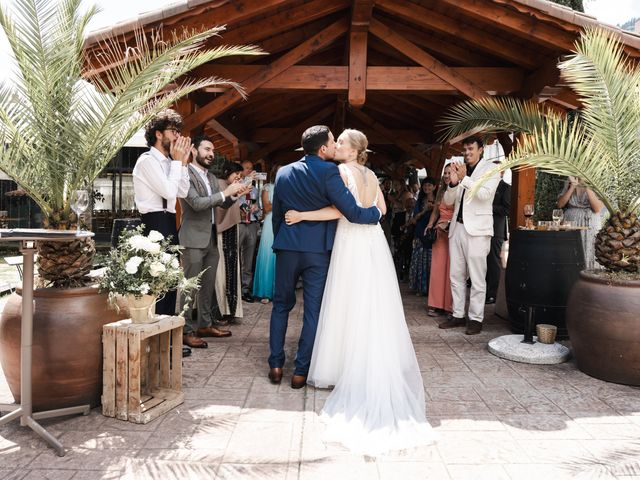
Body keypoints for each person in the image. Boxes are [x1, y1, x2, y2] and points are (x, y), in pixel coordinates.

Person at [285, 129, 435, 455]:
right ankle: (366, 358)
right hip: (373, 242)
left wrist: (302, 215)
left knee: (346, 301)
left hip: (351, 240)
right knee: (372, 301)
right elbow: (381, 210)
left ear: (353, 151)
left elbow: (339, 211)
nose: (335, 146)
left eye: (340, 143)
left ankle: (341, 367)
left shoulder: (340, 171)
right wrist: (370, 219)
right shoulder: (370, 174)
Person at [268, 125, 381, 389]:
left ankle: (275, 364)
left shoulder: (283, 172)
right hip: (318, 251)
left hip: (287, 248)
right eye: (332, 142)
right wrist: (375, 215)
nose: (334, 146)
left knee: (280, 306)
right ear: (322, 148)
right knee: (313, 311)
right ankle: (300, 372)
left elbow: (277, 216)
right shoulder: (330, 171)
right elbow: (351, 212)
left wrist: (282, 241)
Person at [178, 136, 250, 348]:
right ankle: (185, 330)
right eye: (207, 149)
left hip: (210, 236)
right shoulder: (185, 174)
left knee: (207, 286)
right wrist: (224, 192)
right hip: (192, 237)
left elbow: (219, 205)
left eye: (213, 150)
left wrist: (234, 196)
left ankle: (205, 325)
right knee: (189, 287)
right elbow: (198, 204)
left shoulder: (209, 176)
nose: (211, 153)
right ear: (193, 150)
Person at [438, 136, 500, 335]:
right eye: (464, 150)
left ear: (481, 149)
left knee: (477, 277)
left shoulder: (491, 168)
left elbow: (484, 196)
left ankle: (475, 318)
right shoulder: (459, 170)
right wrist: (454, 183)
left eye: (470, 149)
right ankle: (457, 315)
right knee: (455, 275)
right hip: (457, 229)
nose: (466, 153)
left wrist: (464, 179)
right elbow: (448, 201)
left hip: (478, 231)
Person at [215, 162, 245, 322]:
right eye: (236, 174)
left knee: (231, 271)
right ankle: (222, 310)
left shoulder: (231, 186)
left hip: (232, 231)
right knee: (222, 273)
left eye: (240, 176)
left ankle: (230, 309)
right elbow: (219, 208)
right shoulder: (220, 185)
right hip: (222, 233)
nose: (238, 178)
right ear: (227, 172)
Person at [557, 176, 605, 270]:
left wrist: (588, 185)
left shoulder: (598, 180)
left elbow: (597, 208)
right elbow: (560, 204)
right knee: (570, 252)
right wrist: (572, 187)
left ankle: (590, 279)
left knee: (589, 251)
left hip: (590, 223)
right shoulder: (570, 180)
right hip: (570, 222)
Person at [426, 164, 455, 317]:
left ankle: (450, 307)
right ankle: (436, 304)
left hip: (454, 230)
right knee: (437, 268)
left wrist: (449, 224)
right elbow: (436, 211)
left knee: (452, 269)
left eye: (449, 173)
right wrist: (430, 225)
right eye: (445, 172)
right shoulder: (441, 191)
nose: (446, 175)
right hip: (439, 231)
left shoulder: (460, 190)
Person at [252, 164, 280, 303]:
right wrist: (282, 204)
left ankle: (279, 291)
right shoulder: (267, 187)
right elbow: (267, 207)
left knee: (282, 256)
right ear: (274, 173)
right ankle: (266, 292)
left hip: (284, 222)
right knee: (268, 255)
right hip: (270, 222)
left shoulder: (288, 186)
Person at [485, 168, 511, 304]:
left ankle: (492, 294)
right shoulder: (486, 186)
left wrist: (489, 207)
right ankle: (484, 291)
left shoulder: (506, 188)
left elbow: (507, 209)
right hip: (482, 228)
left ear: (501, 173)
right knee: (483, 260)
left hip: (497, 229)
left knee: (494, 262)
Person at [237, 159, 261, 302]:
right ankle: (235, 289)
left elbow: (259, 210)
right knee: (236, 258)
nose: (250, 171)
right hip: (239, 224)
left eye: (251, 169)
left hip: (251, 224)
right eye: (246, 168)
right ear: (241, 171)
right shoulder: (237, 187)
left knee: (248, 258)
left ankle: (246, 289)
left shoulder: (256, 190)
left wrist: (257, 210)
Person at [408, 178, 436, 296]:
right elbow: (413, 220)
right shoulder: (419, 201)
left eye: (429, 185)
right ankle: (420, 288)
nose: (427, 188)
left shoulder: (439, 200)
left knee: (430, 263)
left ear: (434, 187)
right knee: (419, 262)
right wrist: (424, 211)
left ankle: (431, 289)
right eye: (425, 185)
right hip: (420, 233)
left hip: (432, 236)